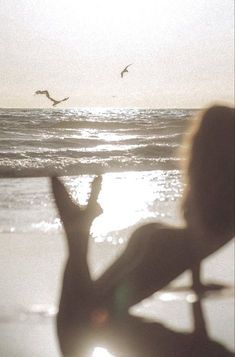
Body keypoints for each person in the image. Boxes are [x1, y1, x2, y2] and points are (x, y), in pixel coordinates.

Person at [52, 105, 234, 356]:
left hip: (158, 239)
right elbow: (199, 243)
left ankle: (79, 231)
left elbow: (197, 236)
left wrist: (198, 287)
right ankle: (78, 234)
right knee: (89, 317)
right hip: (167, 252)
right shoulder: (227, 195)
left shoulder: (207, 192)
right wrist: (196, 285)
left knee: (84, 311)